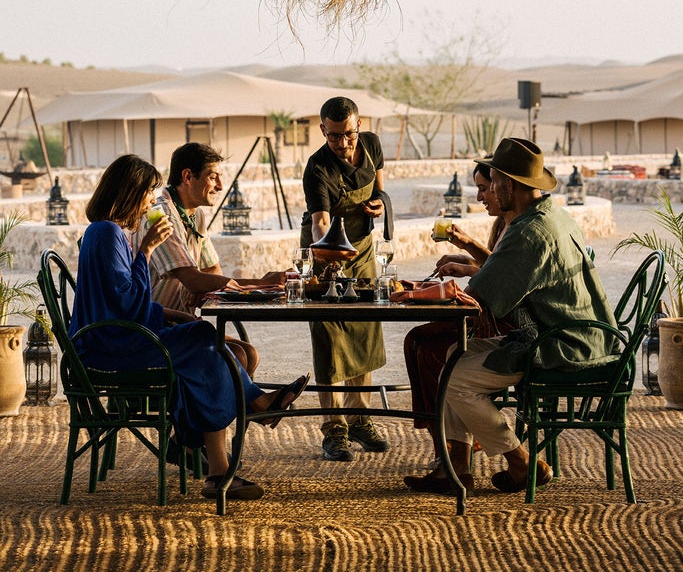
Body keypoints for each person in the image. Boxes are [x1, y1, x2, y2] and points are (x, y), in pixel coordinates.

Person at [70, 154, 309, 501]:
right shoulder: (107, 233)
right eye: (149, 191)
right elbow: (125, 302)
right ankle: (247, 412)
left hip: (115, 338)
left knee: (207, 351)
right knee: (204, 340)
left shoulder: (109, 233)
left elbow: (122, 301)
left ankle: (209, 460)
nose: (152, 199)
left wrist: (171, 314)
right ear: (131, 191)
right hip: (109, 348)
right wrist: (148, 250)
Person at [404, 137, 617, 496]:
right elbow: (501, 280)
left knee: (455, 378)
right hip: (575, 332)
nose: (487, 190)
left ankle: (523, 463)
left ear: (509, 184)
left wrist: (416, 294)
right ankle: (456, 467)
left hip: (563, 344)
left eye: (493, 181)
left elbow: (479, 299)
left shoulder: (529, 233)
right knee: (452, 357)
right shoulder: (551, 216)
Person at [403, 161, 513, 463]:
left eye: (484, 188)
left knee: (426, 346)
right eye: (480, 188)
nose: (481, 196)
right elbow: (495, 268)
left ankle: (452, 444)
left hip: (498, 324)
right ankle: (443, 439)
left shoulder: (517, 227)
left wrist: (466, 258)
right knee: (417, 340)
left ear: (503, 185)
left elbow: (502, 276)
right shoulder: (503, 224)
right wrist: (465, 252)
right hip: (484, 313)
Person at [301, 96, 389, 462]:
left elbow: (380, 188)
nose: (342, 143)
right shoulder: (317, 168)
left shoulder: (371, 144)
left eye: (348, 134)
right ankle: (334, 429)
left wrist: (380, 203)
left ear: (359, 125)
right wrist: (328, 255)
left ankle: (360, 419)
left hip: (364, 246)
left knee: (364, 329)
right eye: (334, 136)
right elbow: (321, 220)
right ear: (323, 130)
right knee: (330, 336)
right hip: (326, 250)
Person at [130, 142, 259, 376]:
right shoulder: (160, 215)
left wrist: (254, 285)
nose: (220, 186)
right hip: (154, 325)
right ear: (188, 176)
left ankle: (247, 409)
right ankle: (241, 409)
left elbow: (212, 271)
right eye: (213, 177)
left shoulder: (195, 215)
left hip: (182, 321)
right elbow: (192, 279)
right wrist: (259, 285)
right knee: (237, 355)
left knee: (249, 353)